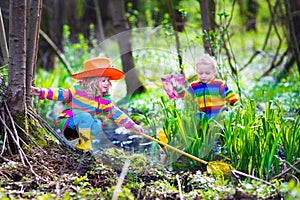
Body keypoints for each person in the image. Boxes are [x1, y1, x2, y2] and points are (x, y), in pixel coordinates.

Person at [31, 57, 144, 152]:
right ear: (93, 81)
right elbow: (61, 93)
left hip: (83, 125)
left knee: (98, 123)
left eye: (108, 81)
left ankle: (82, 145)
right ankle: (84, 149)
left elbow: (115, 113)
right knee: (86, 117)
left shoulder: (103, 100)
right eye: (103, 80)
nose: (107, 83)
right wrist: (41, 92)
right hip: (68, 123)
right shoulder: (77, 91)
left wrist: (133, 126)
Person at [175, 54, 241, 119]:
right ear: (197, 72)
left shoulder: (219, 84)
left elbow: (229, 95)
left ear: (214, 72)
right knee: (195, 120)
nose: (204, 76)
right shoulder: (194, 86)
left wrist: (237, 105)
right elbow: (187, 97)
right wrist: (180, 90)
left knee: (221, 127)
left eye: (207, 73)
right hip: (203, 118)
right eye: (201, 73)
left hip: (219, 117)